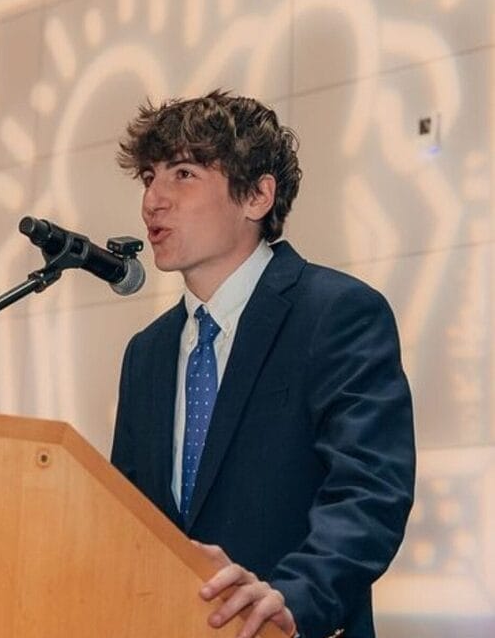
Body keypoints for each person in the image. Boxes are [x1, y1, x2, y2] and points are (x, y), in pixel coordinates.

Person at [111, 91, 415, 638]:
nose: (153, 200)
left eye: (183, 174)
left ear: (256, 196)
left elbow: (369, 491)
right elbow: (128, 518)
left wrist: (294, 596)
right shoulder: (146, 353)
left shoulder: (337, 314)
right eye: (149, 178)